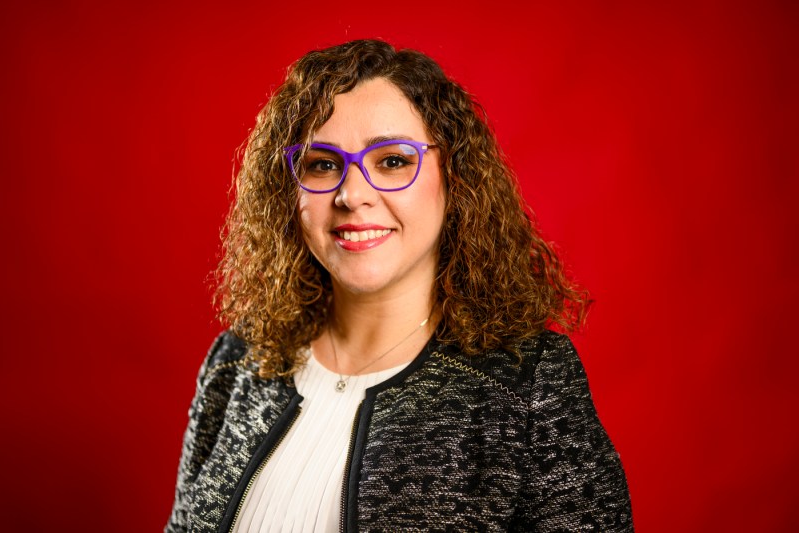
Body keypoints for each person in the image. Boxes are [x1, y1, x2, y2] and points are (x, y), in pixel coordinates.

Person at [166, 39, 633, 532]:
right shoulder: (237, 362)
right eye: (322, 164)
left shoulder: (526, 383)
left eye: (391, 161)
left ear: (454, 176)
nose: (352, 195)